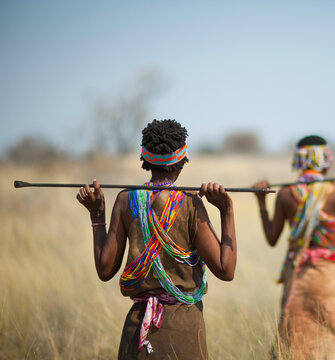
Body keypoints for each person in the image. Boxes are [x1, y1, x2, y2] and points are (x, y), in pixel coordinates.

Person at [76, 119, 237, 360]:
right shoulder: (190, 202)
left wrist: (97, 215)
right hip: (184, 333)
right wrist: (226, 210)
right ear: (182, 160)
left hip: (137, 331)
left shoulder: (125, 201)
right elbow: (226, 270)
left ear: (145, 159)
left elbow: (105, 269)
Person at [253, 135, 335, 359]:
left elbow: (271, 238)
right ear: (326, 160)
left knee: (293, 343)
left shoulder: (286, 194)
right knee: (327, 343)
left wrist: (261, 202)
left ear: (298, 160)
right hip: (328, 279)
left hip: (297, 278)